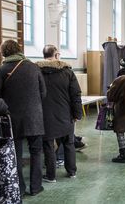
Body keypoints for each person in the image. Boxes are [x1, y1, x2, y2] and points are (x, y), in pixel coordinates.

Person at [0, 40, 46, 196]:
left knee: (15, 155)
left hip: (12, 119)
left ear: (4, 52)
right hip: (35, 117)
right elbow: (43, 93)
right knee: (36, 153)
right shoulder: (33, 67)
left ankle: (20, 188)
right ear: (18, 50)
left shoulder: (1, 70)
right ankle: (36, 187)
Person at [36, 45, 82, 182]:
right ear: (56, 55)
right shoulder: (67, 72)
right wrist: (77, 114)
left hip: (45, 115)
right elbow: (76, 95)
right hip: (65, 114)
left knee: (48, 145)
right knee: (69, 143)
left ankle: (51, 176)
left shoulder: (36, 71)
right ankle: (72, 171)